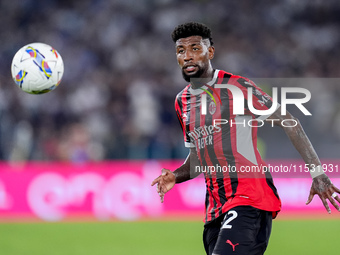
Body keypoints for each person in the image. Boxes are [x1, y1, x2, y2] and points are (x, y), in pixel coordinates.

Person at [151, 22, 340, 255]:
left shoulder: (236, 87)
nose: (188, 56)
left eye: (195, 48)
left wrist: (317, 173)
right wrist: (176, 176)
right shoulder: (182, 102)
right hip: (214, 208)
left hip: (249, 197)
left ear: (210, 52)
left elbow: (290, 122)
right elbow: (198, 159)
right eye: (181, 51)